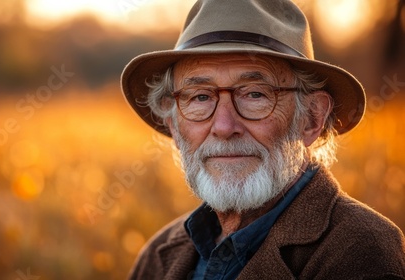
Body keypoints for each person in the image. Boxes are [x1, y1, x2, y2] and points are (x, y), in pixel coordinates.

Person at [120, 0, 405, 279]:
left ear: (311, 119)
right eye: (200, 96)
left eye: (255, 94)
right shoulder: (159, 253)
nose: (223, 126)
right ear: (175, 127)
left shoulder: (359, 249)